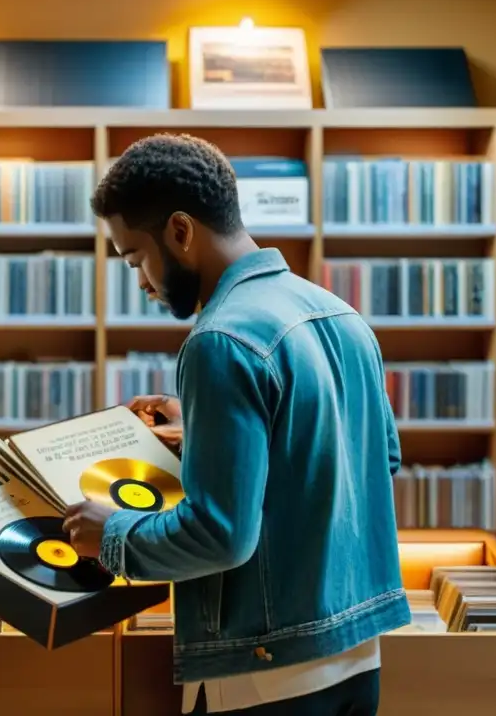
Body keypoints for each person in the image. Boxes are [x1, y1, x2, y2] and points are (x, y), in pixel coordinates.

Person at [62, 133, 409, 715]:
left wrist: (112, 536)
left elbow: (219, 535)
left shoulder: (219, 341)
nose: (141, 281)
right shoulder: (340, 314)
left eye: (135, 258)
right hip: (357, 655)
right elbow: (371, 458)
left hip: (264, 674)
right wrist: (202, 433)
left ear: (180, 231)